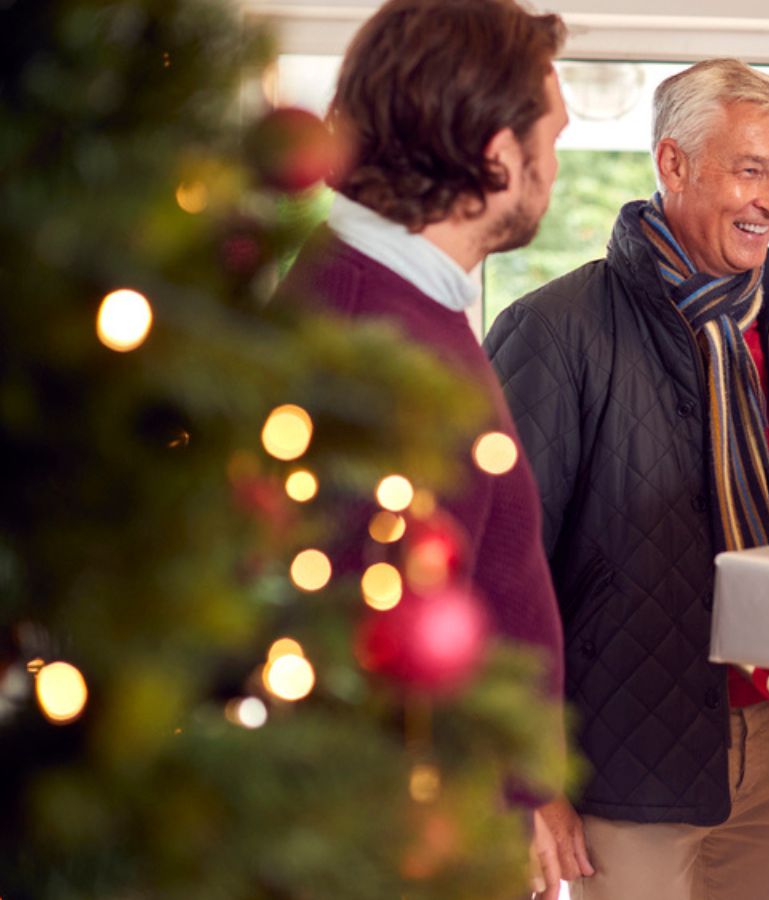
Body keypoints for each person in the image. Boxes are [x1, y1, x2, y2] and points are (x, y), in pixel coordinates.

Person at [484, 58, 769, 900]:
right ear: (673, 164)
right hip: (626, 755)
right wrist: (527, 779)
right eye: (749, 170)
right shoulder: (552, 330)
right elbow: (502, 573)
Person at [271, 0, 574, 891]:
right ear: (497, 154)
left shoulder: (395, 300)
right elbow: (356, 675)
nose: (556, 166)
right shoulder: (374, 345)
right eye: (552, 138)